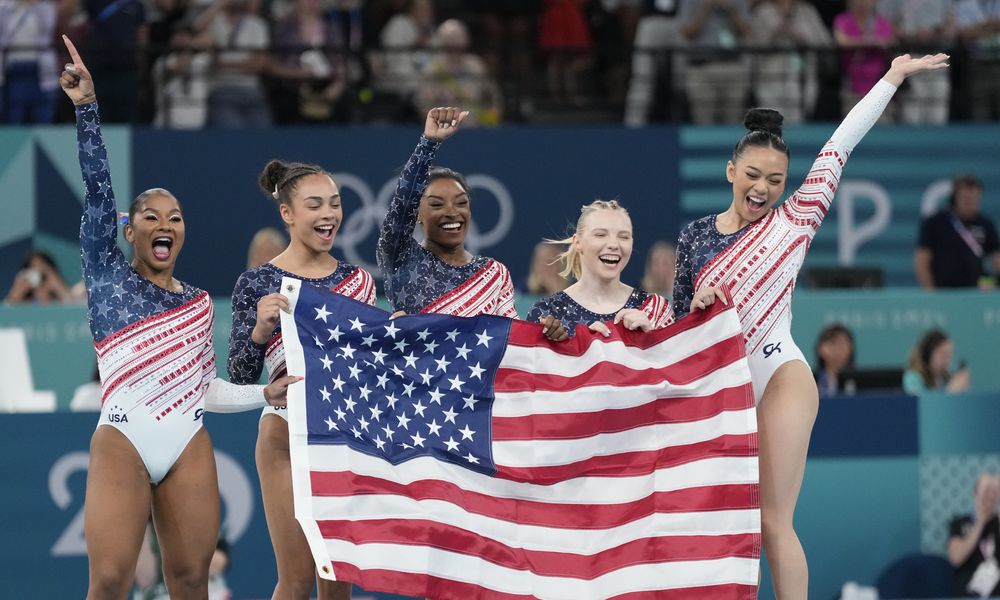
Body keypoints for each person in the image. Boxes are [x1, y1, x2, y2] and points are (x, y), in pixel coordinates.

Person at [673, 53, 949, 598]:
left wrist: (891, 78)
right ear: (731, 171)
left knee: (774, 520)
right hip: (722, 388)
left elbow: (839, 146)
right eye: (751, 175)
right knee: (736, 527)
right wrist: (695, 306)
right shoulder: (695, 238)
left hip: (780, 375)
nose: (762, 188)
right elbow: (678, 327)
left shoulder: (796, 219)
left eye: (774, 180)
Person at [59, 36, 297, 599]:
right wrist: (88, 109)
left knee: (191, 580)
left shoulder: (195, 303)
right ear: (130, 230)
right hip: (122, 437)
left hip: (188, 442)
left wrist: (263, 395)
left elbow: (202, 390)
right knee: (112, 580)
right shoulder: (107, 274)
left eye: (176, 216)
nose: (165, 223)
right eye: (151, 215)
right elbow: (97, 193)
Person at [228, 159, 377, 600]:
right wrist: (258, 330)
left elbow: (368, 369)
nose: (328, 213)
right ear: (287, 214)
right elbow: (239, 375)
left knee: (336, 581)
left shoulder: (359, 282)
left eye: (335, 203)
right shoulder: (258, 281)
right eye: (314, 205)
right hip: (285, 437)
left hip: (343, 438)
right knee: (295, 578)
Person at [376, 106, 518, 318]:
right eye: (437, 204)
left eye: (461, 203)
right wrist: (429, 143)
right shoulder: (402, 258)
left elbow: (511, 337)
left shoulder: (493, 273)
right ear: (417, 214)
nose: (452, 212)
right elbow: (403, 202)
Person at [526, 200, 673, 339]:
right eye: (600, 235)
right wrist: (576, 347)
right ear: (577, 242)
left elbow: (678, 364)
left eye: (624, 237)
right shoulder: (547, 313)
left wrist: (652, 340)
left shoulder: (655, 309)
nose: (614, 244)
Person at [915, 173, 1000, 289]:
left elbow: (996, 259)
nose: (970, 202)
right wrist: (931, 295)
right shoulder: (935, 222)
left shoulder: (985, 224)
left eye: (975, 198)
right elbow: (922, 261)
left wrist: (993, 286)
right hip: (943, 293)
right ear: (954, 197)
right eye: (966, 198)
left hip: (976, 294)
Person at [414, 21, 503, 127]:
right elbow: (423, 105)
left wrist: (491, 119)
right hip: (444, 132)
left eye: (457, 38)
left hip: (476, 130)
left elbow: (494, 97)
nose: (454, 43)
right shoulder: (433, 70)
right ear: (441, 43)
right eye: (449, 39)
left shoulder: (476, 66)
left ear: (466, 40)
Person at [833, 0, 895, 118]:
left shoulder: (882, 23)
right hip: (852, 82)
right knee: (852, 122)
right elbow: (841, 41)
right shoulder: (842, 20)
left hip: (879, 83)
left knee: (881, 123)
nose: (862, 3)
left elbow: (888, 42)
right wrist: (870, 42)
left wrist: (863, 42)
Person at [0, 0, 59, 123]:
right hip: (13, 70)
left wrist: (34, 5)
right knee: (14, 117)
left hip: (40, 71)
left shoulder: (46, 8)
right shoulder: (5, 7)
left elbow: (48, 27)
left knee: (44, 116)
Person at [948, 472, 1000, 598]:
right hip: (968, 593)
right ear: (975, 492)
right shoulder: (960, 523)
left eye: (995, 491)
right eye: (987, 490)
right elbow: (956, 558)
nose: (990, 495)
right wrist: (980, 523)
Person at [902, 329, 971, 395]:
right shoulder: (913, 378)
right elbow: (921, 405)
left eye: (949, 356)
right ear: (927, 355)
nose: (947, 361)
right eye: (943, 355)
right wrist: (951, 392)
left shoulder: (944, 379)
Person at [3, 250, 71, 304]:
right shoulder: (24, 303)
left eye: (43, 267)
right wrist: (17, 293)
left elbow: (74, 307)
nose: (38, 270)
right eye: (33, 266)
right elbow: (4, 314)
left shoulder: (60, 299)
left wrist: (58, 286)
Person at [813, 323, 855, 396]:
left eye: (843, 344)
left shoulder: (857, 381)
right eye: (833, 343)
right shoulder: (811, 380)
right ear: (820, 348)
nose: (838, 349)